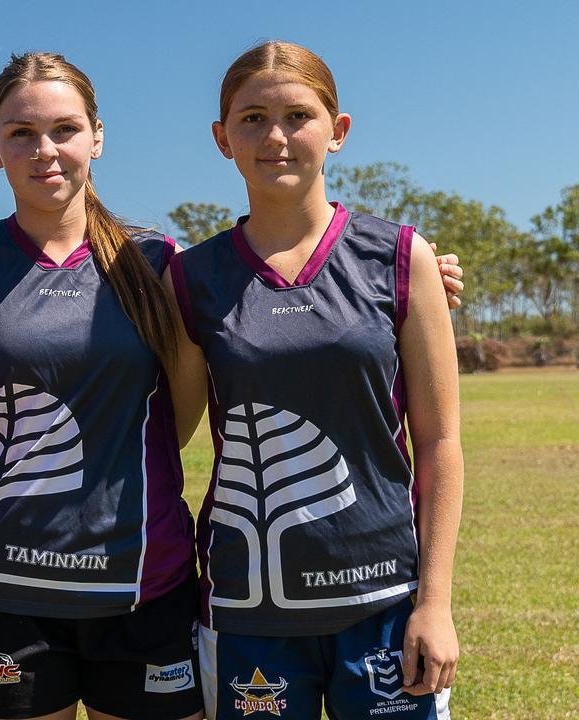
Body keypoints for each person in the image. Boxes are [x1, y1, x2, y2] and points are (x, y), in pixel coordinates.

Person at [165, 41, 462, 720]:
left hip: (383, 598)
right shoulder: (191, 279)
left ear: (338, 131)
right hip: (248, 605)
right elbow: (172, 431)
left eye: (298, 116)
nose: (275, 137)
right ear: (222, 138)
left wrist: (436, 604)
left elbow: (441, 443)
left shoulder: (400, 257)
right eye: (252, 119)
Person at [0, 52, 204, 720]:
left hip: (143, 581)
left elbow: (179, 417)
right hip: (3, 591)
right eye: (21, 133)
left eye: (65, 130)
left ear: (97, 137)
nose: (45, 150)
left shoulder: (157, 263)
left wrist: (416, 281)